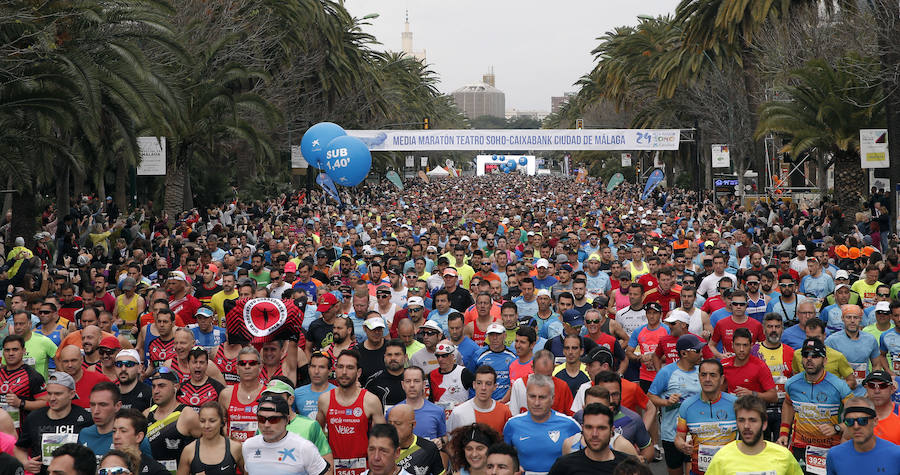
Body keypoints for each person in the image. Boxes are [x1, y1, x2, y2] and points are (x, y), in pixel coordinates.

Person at [779, 338, 852, 472]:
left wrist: (837, 428)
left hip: (830, 447)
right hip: (800, 446)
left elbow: (855, 415)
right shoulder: (792, 383)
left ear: (825, 360)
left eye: (815, 356)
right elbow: (788, 404)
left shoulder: (838, 385)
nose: (809, 359)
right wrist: (783, 432)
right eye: (805, 355)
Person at [318, 349, 385, 475]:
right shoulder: (324, 400)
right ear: (335, 369)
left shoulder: (370, 400)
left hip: (364, 469)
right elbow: (317, 435)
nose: (344, 372)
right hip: (334, 468)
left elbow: (382, 440)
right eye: (340, 367)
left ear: (358, 372)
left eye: (350, 367)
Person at [14, 372, 92, 475]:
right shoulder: (34, 417)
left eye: (58, 394)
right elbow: (19, 448)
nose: (52, 398)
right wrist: (26, 463)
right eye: (49, 393)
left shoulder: (85, 418)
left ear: (71, 394)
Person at [647, 334, 703, 475]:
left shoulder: (702, 372)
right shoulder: (667, 372)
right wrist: (666, 402)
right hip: (671, 434)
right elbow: (650, 396)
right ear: (684, 353)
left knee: (694, 470)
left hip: (697, 433)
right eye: (697, 350)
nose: (701, 353)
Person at [704, 395, 801, 475]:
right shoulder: (722, 457)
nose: (746, 426)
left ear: (764, 424)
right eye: (741, 420)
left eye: (752, 420)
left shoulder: (783, 456)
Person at [502, 374, 580, 474]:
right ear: (526, 396)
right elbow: (504, 459)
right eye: (532, 396)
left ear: (552, 398)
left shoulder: (570, 425)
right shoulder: (512, 425)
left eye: (542, 397)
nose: (537, 402)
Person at [674, 359, 737, 474]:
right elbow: (679, 437)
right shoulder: (687, 406)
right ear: (699, 377)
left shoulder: (735, 404)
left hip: (729, 471)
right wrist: (682, 445)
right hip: (699, 471)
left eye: (713, 375)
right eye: (704, 375)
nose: (707, 379)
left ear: (721, 379)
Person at [242, 395, 328, 475]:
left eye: (273, 419)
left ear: (287, 420)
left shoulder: (304, 447)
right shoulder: (248, 445)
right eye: (261, 419)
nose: (266, 425)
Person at [547, 403, 634, 475]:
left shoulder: (628, 466)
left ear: (612, 431)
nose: (594, 434)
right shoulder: (564, 465)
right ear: (582, 429)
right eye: (589, 427)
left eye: (601, 428)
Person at [144, 367, 201, 472]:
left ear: (176, 387)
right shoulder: (146, 414)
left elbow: (209, 443)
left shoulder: (187, 414)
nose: (156, 391)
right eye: (153, 386)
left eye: (161, 386)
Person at [825, 397, 900, 474]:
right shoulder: (834, 455)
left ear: (875, 421)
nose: (856, 426)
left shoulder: (896, 454)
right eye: (849, 421)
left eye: (863, 421)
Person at [751, 313, 795, 441]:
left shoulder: (790, 352)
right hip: (759, 408)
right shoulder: (754, 351)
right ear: (764, 329)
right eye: (770, 326)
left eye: (777, 326)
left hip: (784, 408)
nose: (774, 330)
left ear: (782, 329)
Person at [77, 382, 151, 457]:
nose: (96, 411)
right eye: (92, 405)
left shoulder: (133, 438)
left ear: (117, 406)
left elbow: (148, 466)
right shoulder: (84, 434)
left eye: (103, 405)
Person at [826, 304, 883, 395]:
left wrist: (871, 388)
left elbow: (876, 365)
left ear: (860, 319)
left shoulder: (870, 339)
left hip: (864, 392)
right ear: (842, 318)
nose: (852, 321)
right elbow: (826, 369)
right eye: (848, 317)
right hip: (839, 392)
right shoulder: (832, 341)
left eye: (856, 318)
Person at [176, 401, 245, 475]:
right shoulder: (189, 450)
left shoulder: (235, 448)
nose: (206, 426)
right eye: (202, 421)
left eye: (212, 421)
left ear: (222, 422)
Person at [0, 334, 48, 429]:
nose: (11, 353)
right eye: (7, 350)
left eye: (15, 349)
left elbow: (46, 403)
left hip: (22, 433)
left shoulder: (33, 376)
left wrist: (21, 403)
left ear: (23, 351)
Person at [447, 366, 512, 436]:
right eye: (479, 383)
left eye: (488, 384)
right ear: (474, 385)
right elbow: (451, 442)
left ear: (495, 387)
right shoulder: (458, 412)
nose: (483, 388)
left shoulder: (505, 411)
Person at [218, 346, 265, 442]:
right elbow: (219, 426)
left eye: (252, 363)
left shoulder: (267, 394)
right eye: (242, 363)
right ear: (237, 368)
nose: (247, 366)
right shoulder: (226, 395)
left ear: (260, 367)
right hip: (233, 451)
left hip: (259, 451)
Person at [389, 366, 447, 441]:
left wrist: (440, 441)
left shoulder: (438, 411)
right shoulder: (392, 412)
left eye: (416, 381)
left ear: (424, 384)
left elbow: (444, 437)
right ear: (403, 385)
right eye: (408, 381)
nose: (412, 385)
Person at [721, 328, 777, 402]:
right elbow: (718, 392)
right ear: (732, 345)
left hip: (754, 409)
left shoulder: (760, 366)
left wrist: (751, 394)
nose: (741, 349)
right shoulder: (724, 365)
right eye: (738, 345)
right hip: (731, 409)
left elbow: (773, 396)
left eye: (745, 345)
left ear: (751, 346)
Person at [387, 404, 445, 475]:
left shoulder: (428, 448)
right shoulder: (381, 449)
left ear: (413, 424)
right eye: (389, 423)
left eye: (398, 423)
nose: (392, 428)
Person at [112, 408, 169, 475]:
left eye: (123, 431)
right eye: (114, 431)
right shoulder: (106, 466)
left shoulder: (156, 471)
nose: (116, 436)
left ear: (139, 437)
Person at [428, 342, 473, 418]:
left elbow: (479, 391)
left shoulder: (463, 372)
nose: (440, 359)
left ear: (452, 356)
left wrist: (467, 404)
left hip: (461, 417)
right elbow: (431, 399)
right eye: (438, 356)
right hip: (440, 417)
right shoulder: (432, 374)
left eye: (444, 356)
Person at [474, 323, 517, 400]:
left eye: (498, 334)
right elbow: (472, 379)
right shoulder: (479, 354)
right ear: (487, 337)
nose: (494, 338)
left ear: (504, 336)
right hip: (485, 401)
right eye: (491, 335)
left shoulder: (514, 354)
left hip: (508, 402)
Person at [11, 309, 57, 379]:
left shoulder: (44, 341)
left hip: (38, 388)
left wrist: (54, 380)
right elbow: (4, 368)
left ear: (30, 324)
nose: (18, 327)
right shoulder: (10, 344)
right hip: (16, 388)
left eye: (21, 324)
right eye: (15, 324)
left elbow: (60, 362)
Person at [365, 339, 408, 410]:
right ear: (384, 357)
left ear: (405, 357)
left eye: (397, 354)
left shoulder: (414, 379)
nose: (393, 358)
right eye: (389, 355)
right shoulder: (374, 381)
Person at [861, 370, 900, 445]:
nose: (877, 391)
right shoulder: (857, 415)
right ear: (866, 388)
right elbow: (846, 441)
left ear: (892, 389)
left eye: (883, 386)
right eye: (872, 386)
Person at [294, 352, 336, 419]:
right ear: (308, 368)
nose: (316, 371)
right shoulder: (297, 393)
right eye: (313, 366)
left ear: (330, 371)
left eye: (321, 367)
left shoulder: (337, 393)